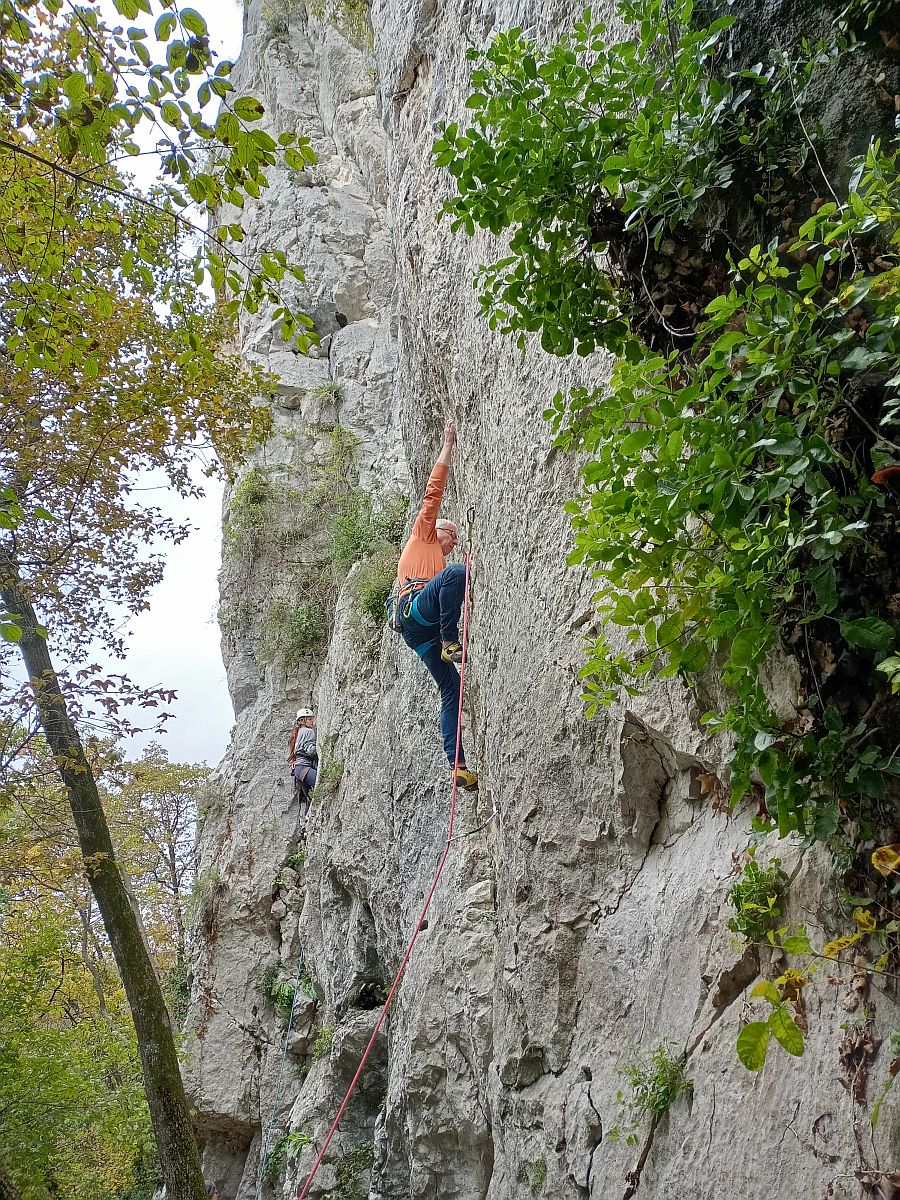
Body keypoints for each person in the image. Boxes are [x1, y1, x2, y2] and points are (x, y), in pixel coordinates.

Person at [396, 421, 477, 790]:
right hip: (415, 610)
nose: (453, 542)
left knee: (452, 688)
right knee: (457, 573)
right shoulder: (423, 536)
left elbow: (451, 593)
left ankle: (456, 764)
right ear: (437, 530)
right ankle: (450, 641)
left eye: (457, 539)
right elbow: (433, 493)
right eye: (452, 535)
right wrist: (447, 447)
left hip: (419, 633)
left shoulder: (439, 564)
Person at [289, 708, 317, 820]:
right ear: (302, 721)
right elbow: (310, 750)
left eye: (312, 719)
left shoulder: (298, 732)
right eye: (309, 719)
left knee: (310, 798)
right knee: (320, 785)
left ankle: (307, 823)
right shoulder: (308, 731)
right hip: (304, 768)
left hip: (299, 771)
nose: (312, 722)